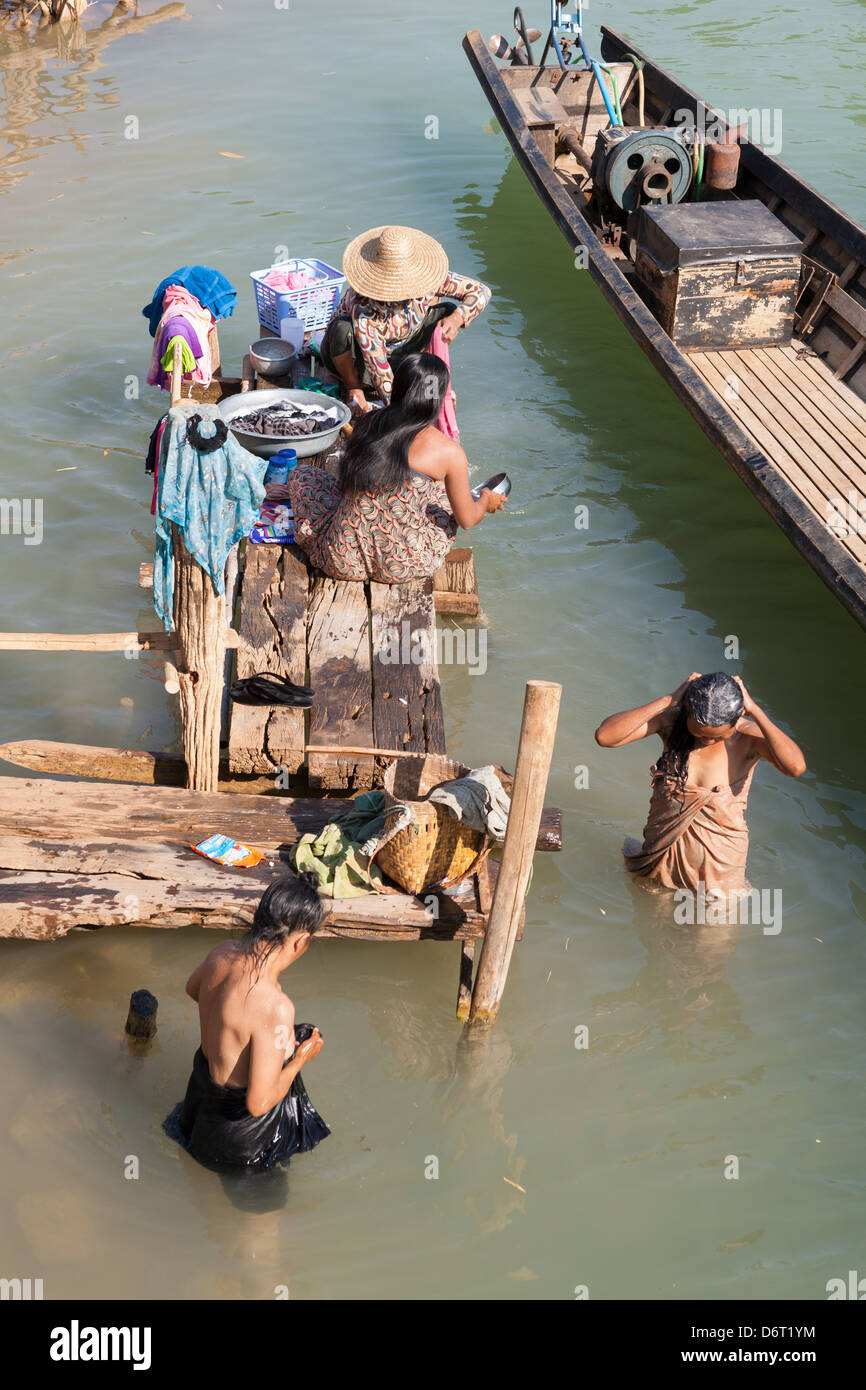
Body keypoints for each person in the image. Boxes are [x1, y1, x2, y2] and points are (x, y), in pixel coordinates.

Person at [285, 352, 505, 584]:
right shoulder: (450, 452)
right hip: (403, 565)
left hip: (343, 558)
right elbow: (467, 520)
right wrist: (485, 499)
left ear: (398, 388)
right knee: (443, 496)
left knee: (303, 475)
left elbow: (346, 483)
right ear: (438, 399)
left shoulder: (370, 422)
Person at [166, 875, 330, 1172]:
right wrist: (300, 1059)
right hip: (236, 1133)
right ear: (301, 941)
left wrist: (231, 1032)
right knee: (261, 1201)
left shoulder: (223, 952)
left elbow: (193, 989)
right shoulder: (275, 1006)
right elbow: (259, 1103)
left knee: (198, 1187)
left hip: (196, 1101)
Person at [595, 671, 806, 897]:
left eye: (717, 736)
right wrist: (669, 700)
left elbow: (794, 768)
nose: (707, 740)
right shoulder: (672, 724)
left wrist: (755, 710)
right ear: (686, 713)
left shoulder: (747, 738)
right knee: (652, 912)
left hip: (719, 862)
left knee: (715, 915)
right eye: (698, 732)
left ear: (736, 720)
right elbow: (606, 737)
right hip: (662, 852)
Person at [319, 224, 491, 413]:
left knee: (447, 311)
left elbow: (481, 291)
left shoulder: (429, 280)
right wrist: (402, 411)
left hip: (404, 344)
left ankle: (425, 371)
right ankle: (353, 386)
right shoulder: (364, 306)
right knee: (341, 329)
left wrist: (457, 319)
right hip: (359, 356)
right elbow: (378, 370)